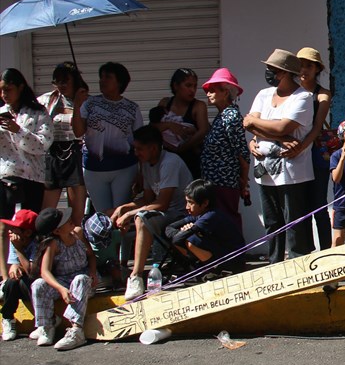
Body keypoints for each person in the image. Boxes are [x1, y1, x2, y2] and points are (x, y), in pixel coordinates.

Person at [244, 49, 315, 263]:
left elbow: (282, 125)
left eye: (273, 70)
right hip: (264, 170)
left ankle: (298, 263)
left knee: (293, 221)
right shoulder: (264, 95)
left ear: (284, 72)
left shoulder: (302, 97)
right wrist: (282, 138)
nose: (269, 73)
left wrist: (269, 130)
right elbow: (248, 123)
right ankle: (274, 263)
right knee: (272, 221)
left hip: (291, 172)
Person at [110, 125, 192, 300]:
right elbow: (148, 199)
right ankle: (116, 268)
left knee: (141, 219)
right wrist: (123, 208)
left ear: (153, 148)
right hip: (161, 213)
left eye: (139, 149)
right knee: (117, 214)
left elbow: (161, 204)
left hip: (179, 215)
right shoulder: (147, 164)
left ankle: (136, 276)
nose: (136, 153)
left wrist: (130, 214)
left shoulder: (170, 162)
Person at [72, 62, 144, 218]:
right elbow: (78, 131)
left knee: (120, 214)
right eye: (101, 77)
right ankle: (105, 243)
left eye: (108, 77)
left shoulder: (133, 108)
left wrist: (142, 171)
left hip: (124, 168)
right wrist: (77, 105)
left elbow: (140, 141)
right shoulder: (89, 103)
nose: (102, 80)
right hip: (94, 168)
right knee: (103, 217)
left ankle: (122, 243)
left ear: (120, 82)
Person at [1, 68, 53, 272]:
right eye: (1, 90)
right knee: (3, 227)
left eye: (9, 89)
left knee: (26, 227)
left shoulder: (38, 113)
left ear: (20, 87)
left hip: (30, 177)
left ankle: (29, 267)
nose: (4, 94)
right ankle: (4, 276)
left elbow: (42, 145)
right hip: (5, 175)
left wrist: (18, 130)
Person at [30, 207, 98, 350]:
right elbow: (45, 272)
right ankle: (47, 325)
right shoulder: (53, 244)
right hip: (64, 281)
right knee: (38, 284)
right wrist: (61, 289)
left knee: (80, 279)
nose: (70, 220)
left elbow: (91, 255)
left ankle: (77, 329)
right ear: (57, 231)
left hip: (84, 281)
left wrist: (93, 272)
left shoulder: (77, 233)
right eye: (65, 221)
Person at [38, 62, 88, 226]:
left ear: (75, 80)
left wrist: (79, 104)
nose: (61, 85)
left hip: (75, 153)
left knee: (76, 214)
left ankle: (75, 248)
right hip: (53, 154)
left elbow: (82, 130)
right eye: (57, 81)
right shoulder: (48, 99)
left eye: (65, 81)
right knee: (46, 212)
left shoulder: (85, 100)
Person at [200, 68, 250, 231]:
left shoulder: (231, 117)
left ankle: (234, 254)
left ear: (226, 92)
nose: (208, 94)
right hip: (214, 182)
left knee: (227, 219)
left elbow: (242, 152)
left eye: (213, 90)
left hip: (225, 182)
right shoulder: (221, 116)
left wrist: (243, 182)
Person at [166, 179, 246, 275]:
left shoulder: (211, 216)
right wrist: (182, 231)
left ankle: (213, 271)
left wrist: (183, 233)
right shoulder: (197, 214)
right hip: (219, 253)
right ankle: (202, 268)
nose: (187, 207)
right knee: (187, 238)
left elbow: (177, 239)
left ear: (205, 203)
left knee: (191, 240)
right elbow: (169, 228)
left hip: (233, 262)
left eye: (191, 203)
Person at [295, 47, 333, 250]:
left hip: (315, 153)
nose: (304, 70)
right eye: (301, 65)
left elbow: (317, 125)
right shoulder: (289, 92)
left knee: (318, 205)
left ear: (317, 68)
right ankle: (305, 251)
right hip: (296, 154)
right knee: (299, 207)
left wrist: (300, 147)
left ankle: (325, 252)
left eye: (309, 65)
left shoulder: (323, 95)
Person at [150, 68, 209, 179]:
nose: (192, 90)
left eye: (195, 86)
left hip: (191, 160)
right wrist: (169, 125)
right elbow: (152, 128)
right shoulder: (165, 103)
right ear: (176, 86)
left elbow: (203, 131)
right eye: (188, 85)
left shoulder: (198, 106)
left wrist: (180, 149)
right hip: (166, 159)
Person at [1, 209, 38, 341]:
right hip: (22, 283)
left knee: (25, 281)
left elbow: (31, 271)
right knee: (11, 282)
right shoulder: (14, 241)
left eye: (15, 228)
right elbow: (14, 266)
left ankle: (44, 319)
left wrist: (18, 249)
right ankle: (8, 318)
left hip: (34, 285)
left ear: (27, 232)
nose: (10, 231)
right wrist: (16, 266)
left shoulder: (36, 244)